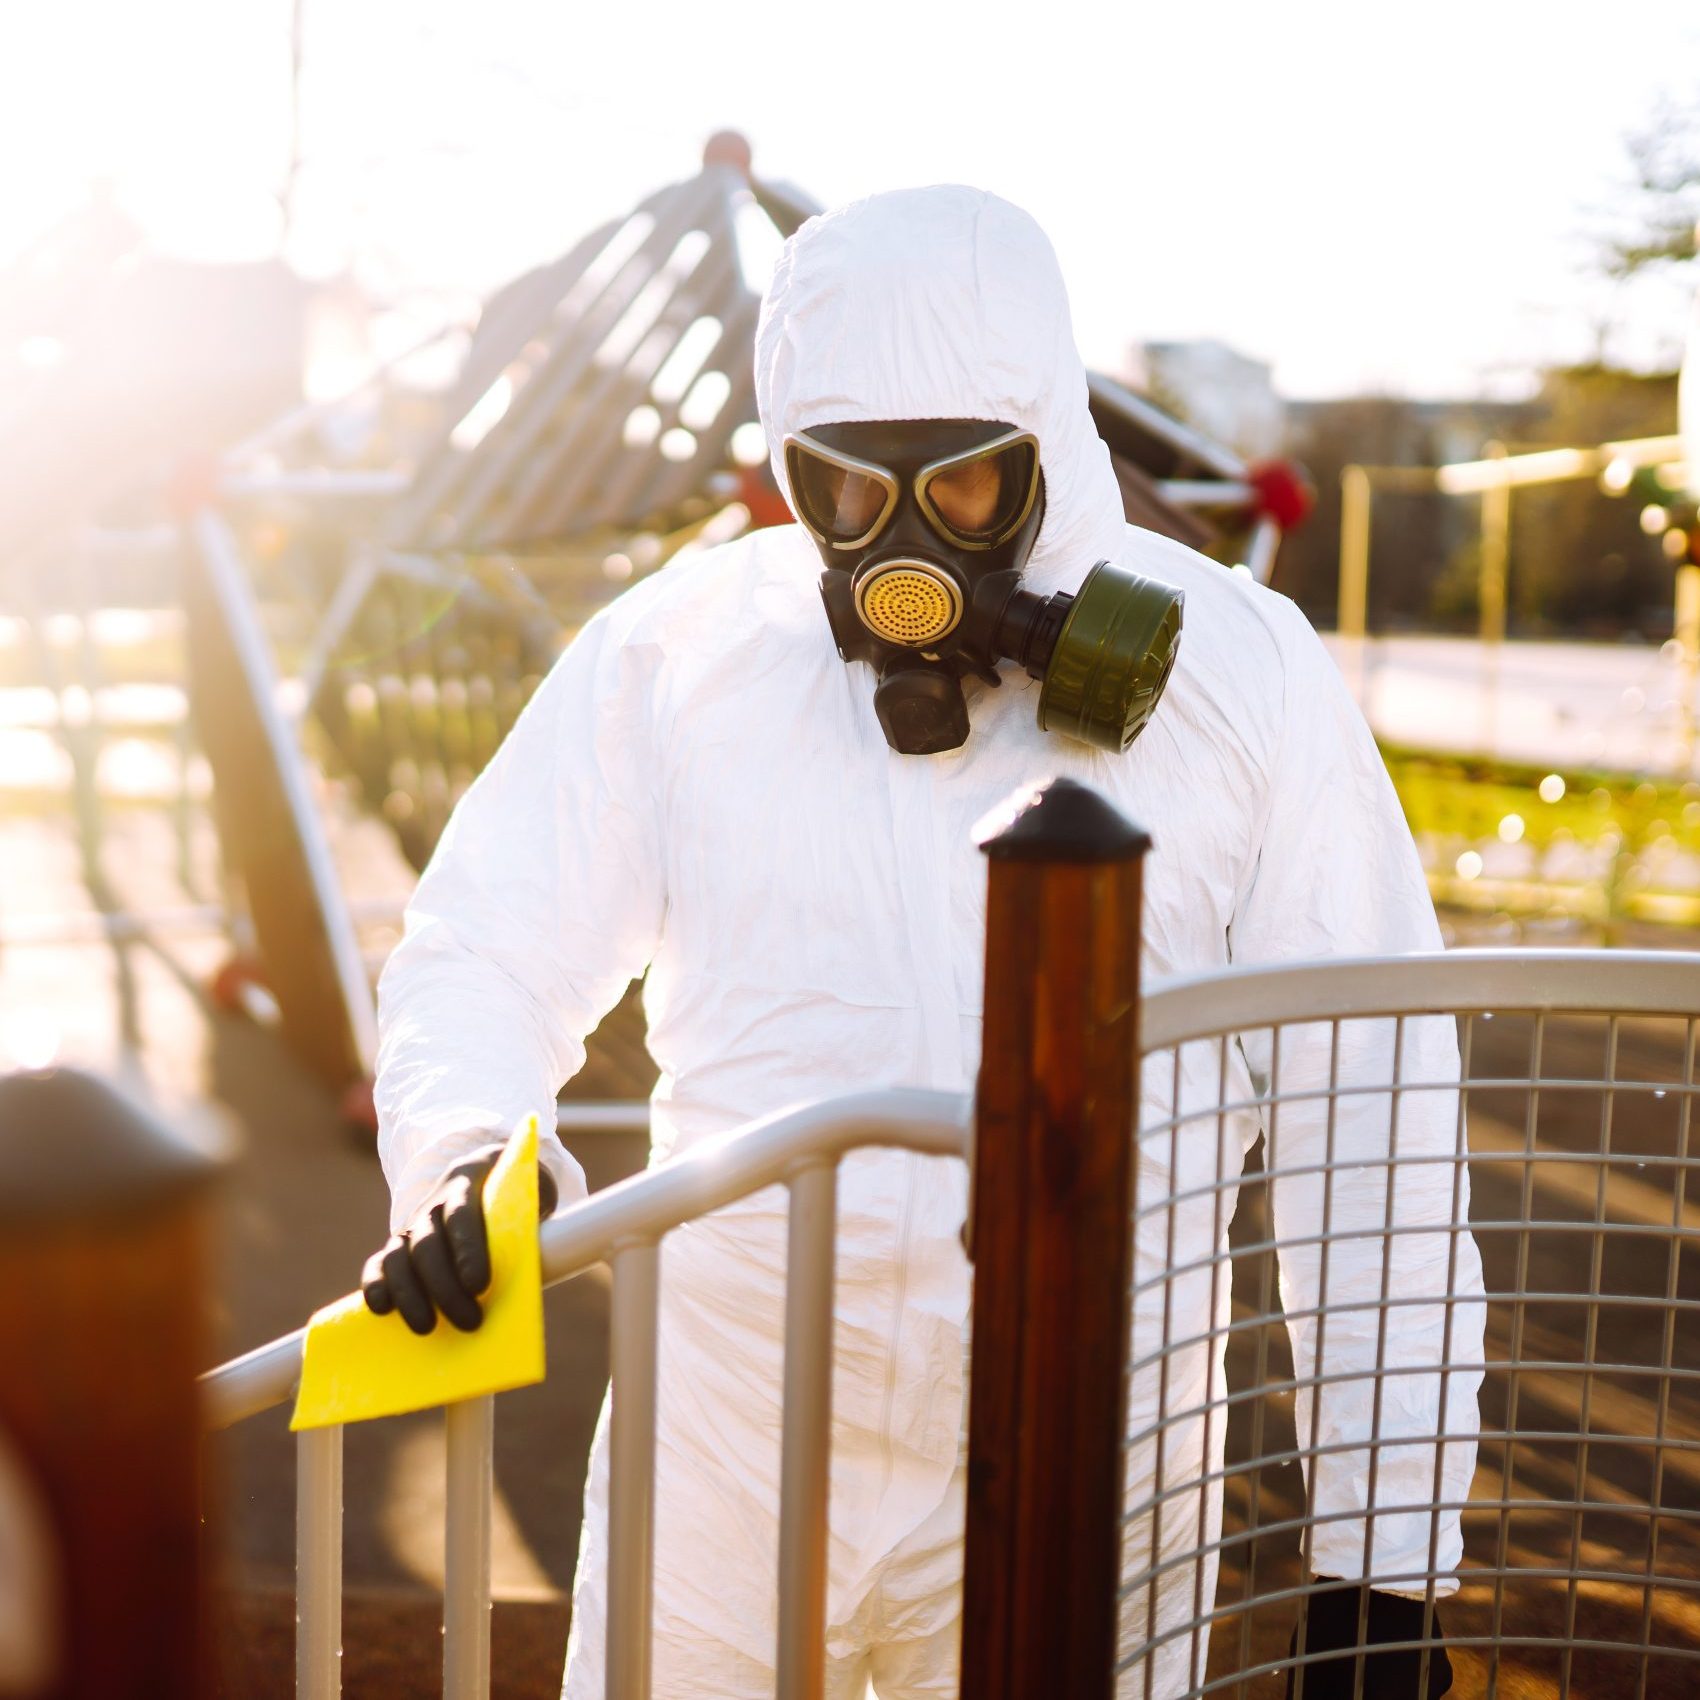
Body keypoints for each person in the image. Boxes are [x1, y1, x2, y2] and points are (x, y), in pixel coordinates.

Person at [363, 185, 1484, 1699]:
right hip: (730, 1441)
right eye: (843, 488)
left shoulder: (1237, 680)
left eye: (961, 487)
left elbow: (1374, 1111)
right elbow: (489, 941)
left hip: (1094, 1449)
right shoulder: (684, 655)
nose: (900, 546)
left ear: (1051, 448)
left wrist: (1386, 1550)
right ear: (786, 465)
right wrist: (461, 1153)